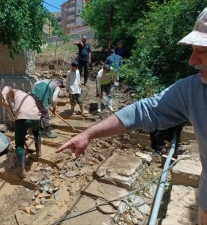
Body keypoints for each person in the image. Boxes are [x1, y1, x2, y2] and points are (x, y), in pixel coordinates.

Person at [56, 8, 207, 224]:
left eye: (203, 51)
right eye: (193, 50)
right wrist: (88, 134)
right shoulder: (193, 91)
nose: (192, 61)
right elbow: (143, 111)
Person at [2, 86, 41, 178]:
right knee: (37, 133)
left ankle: (21, 170)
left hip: (22, 118)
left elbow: (6, 88)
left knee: (19, 145)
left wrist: (4, 98)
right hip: (36, 118)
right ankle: (39, 152)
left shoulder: (16, 92)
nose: (11, 98)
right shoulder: (29, 96)